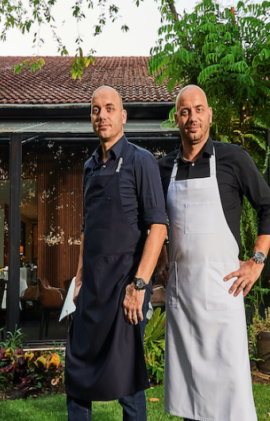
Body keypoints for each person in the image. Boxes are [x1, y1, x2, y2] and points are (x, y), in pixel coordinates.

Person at [157, 85, 270, 421]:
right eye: (185, 111)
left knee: (231, 397)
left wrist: (256, 262)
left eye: (198, 109)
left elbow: (269, 207)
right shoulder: (163, 168)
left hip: (225, 293)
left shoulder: (233, 158)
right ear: (177, 119)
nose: (192, 117)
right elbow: (153, 224)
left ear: (209, 114)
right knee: (190, 399)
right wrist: (162, 262)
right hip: (182, 299)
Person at [65, 86, 168, 421]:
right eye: (95, 109)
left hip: (126, 289)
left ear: (122, 116)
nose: (102, 115)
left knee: (127, 385)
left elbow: (158, 227)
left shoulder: (142, 161)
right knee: (76, 380)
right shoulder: (89, 166)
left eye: (109, 108)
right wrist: (79, 282)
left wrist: (139, 287)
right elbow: (87, 228)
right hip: (91, 291)